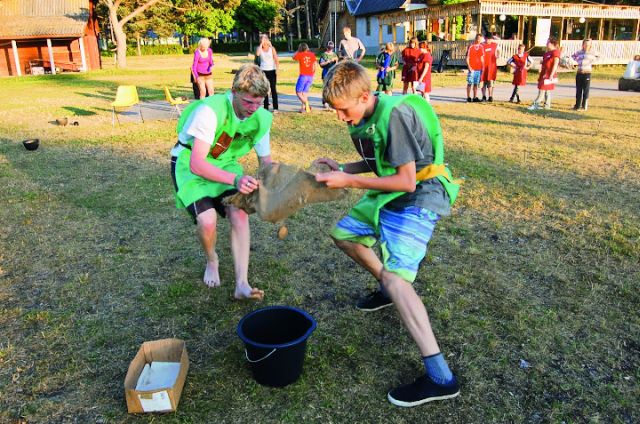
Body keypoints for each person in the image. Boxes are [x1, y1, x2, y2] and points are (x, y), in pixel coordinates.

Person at [314, 60, 462, 408]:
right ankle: (389, 288)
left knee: (398, 279)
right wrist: (344, 167)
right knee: (344, 236)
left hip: (420, 193)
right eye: (334, 111)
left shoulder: (394, 115)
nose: (339, 118)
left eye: (343, 110)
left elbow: (406, 178)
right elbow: (383, 162)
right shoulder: (361, 118)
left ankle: (441, 378)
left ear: (365, 96)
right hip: (392, 191)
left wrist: (348, 181)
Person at [170, 64, 273, 300]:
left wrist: (273, 181)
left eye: (259, 103)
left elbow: (265, 161)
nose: (254, 109)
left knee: (240, 212)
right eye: (249, 102)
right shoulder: (210, 110)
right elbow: (198, 163)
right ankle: (212, 259)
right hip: (190, 163)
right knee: (207, 220)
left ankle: (242, 284)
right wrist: (236, 180)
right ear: (234, 91)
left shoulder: (261, 117)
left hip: (225, 163)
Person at [528, 37, 560, 110]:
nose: (546, 44)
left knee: (542, 89)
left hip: (549, 74)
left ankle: (536, 104)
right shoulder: (547, 53)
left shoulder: (555, 52)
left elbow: (555, 64)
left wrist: (552, 74)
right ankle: (547, 105)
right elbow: (546, 62)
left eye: (548, 42)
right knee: (546, 90)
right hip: (544, 73)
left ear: (552, 44)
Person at [571, 38, 599, 111]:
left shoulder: (592, 52)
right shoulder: (579, 52)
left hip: (587, 73)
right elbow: (573, 57)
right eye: (585, 44)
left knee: (585, 90)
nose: (586, 46)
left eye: (588, 45)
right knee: (578, 90)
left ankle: (584, 106)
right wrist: (575, 62)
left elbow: (598, 57)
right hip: (580, 72)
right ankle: (577, 105)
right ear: (583, 45)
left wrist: (593, 61)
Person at [256, 34, 280, 112]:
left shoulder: (272, 48)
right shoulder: (259, 48)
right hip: (263, 71)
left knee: (273, 89)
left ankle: (275, 108)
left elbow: (276, 59)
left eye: (265, 39)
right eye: (262, 39)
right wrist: (261, 44)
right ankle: (266, 108)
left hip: (272, 70)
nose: (263, 41)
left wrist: (277, 69)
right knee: (265, 89)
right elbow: (258, 54)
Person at [293, 43, 317, 113]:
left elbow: (293, 57)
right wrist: (313, 73)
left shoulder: (300, 54)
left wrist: (298, 50)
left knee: (298, 92)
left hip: (303, 76)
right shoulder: (312, 54)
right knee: (304, 93)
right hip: (310, 76)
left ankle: (307, 104)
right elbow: (315, 64)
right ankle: (303, 108)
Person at [319, 41, 339, 109]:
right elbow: (321, 64)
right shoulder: (323, 55)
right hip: (326, 72)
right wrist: (328, 61)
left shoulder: (334, 54)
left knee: (332, 88)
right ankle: (325, 102)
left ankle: (331, 102)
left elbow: (337, 64)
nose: (330, 49)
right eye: (329, 48)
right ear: (327, 47)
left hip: (333, 72)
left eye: (332, 48)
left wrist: (336, 60)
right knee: (325, 88)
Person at [466, 34, 485, 102]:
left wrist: (483, 66)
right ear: (475, 39)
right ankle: (468, 97)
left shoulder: (481, 47)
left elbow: (482, 58)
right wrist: (469, 66)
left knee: (476, 83)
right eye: (477, 38)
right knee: (469, 83)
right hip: (472, 68)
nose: (478, 40)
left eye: (480, 39)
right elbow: (467, 58)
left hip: (478, 68)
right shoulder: (471, 47)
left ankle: (475, 97)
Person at [481, 35, 499, 102]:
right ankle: (483, 96)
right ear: (485, 38)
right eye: (487, 39)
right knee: (483, 82)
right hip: (483, 67)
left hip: (491, 67)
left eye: (490, 39)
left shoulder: (494, 45)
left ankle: (490, 96)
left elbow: (498, 51)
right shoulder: (482, 45)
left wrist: (497, 54)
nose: (488, 41)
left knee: (490, 82)